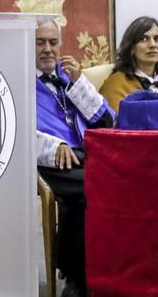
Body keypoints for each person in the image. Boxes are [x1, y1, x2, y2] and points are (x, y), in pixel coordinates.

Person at [35, 18, 114, 297]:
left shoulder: (70, 75)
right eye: (40, 42)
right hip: (47, 162)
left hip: (83, 157)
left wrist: (80, 83)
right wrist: (54, 145)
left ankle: (75, 273)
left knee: (86, 193)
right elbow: (15, 129)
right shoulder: (17, 79)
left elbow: (106, 121)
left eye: (53, 42)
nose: (47, 49)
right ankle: (79, 277)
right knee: (96, 186)